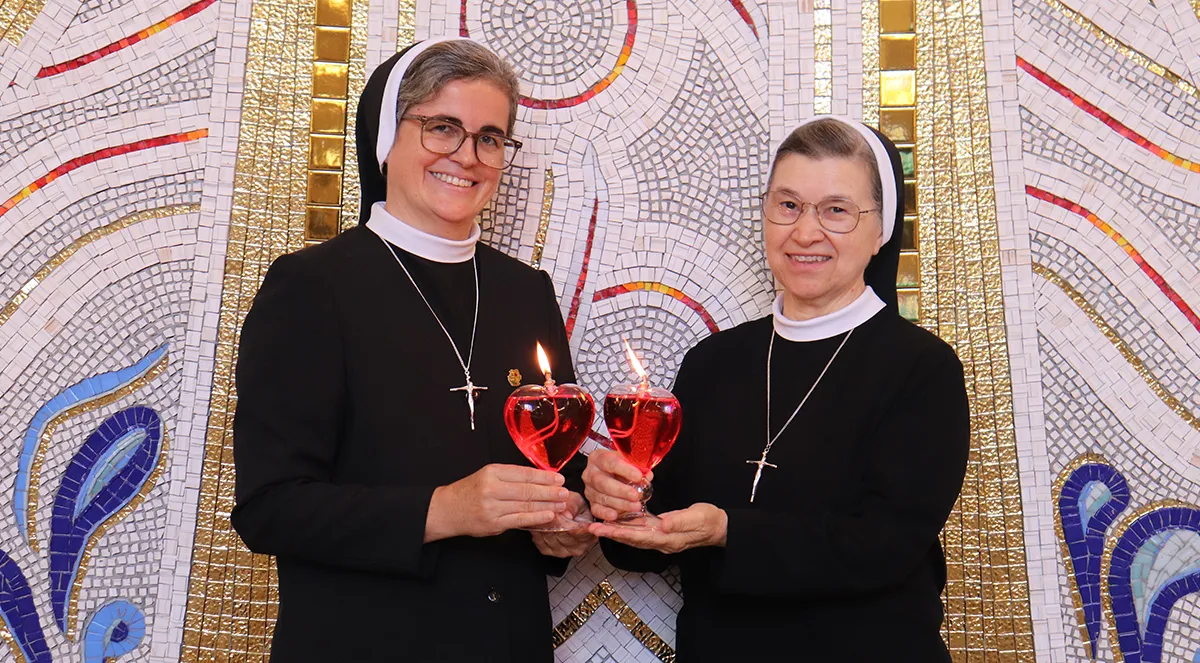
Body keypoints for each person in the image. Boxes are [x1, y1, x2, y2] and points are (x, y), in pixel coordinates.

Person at [231, 37, 594, 663]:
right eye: (441, 127)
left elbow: (544, 470)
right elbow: (270, 508)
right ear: (384, 135)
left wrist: (569, 517)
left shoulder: (526, 291)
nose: (467, 155)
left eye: (489, 137)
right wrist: (445, 510)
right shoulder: (312, 287)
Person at [583, 116, 970, 661]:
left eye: (836, 210)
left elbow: (883, 547)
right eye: (787, 205)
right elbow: (653, 536)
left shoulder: (922, 369)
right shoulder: (713, 362)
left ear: (880, 229)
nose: (805, 232)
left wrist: (727, 531)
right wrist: (620, 500)